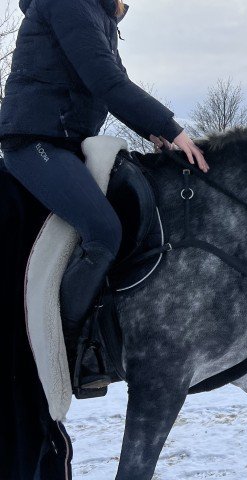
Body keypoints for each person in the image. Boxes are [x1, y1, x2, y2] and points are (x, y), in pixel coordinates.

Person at [0, 0, 209, 391]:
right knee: (103, 230)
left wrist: (154, 133)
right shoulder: (67, 3)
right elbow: (104, 81)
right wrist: (170, 126)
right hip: (35, 141)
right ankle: (67, 347)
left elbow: (115, 80)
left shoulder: (99, 14)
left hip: (69, 142)